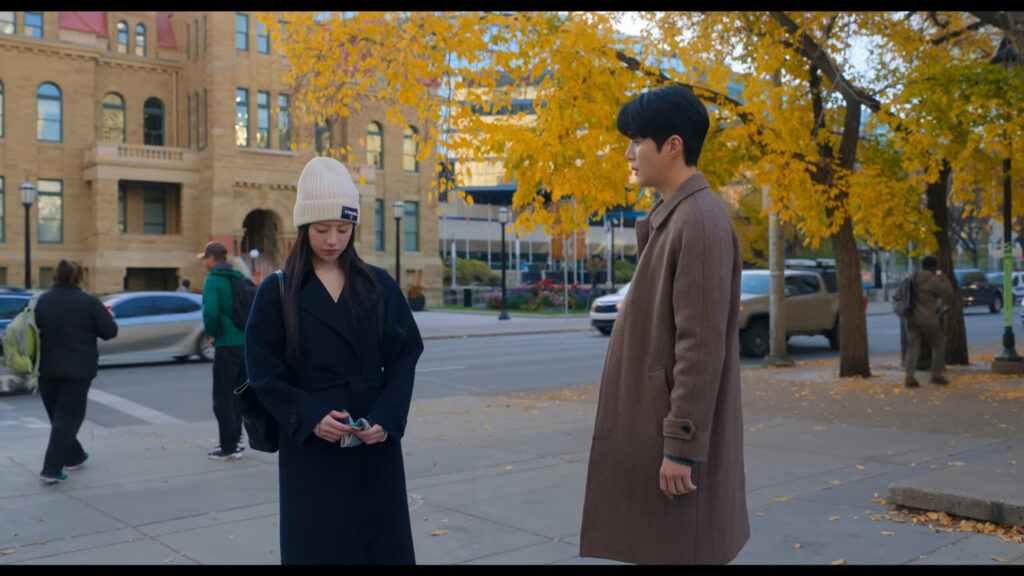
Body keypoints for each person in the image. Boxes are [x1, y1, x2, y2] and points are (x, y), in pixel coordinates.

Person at [579, 84, 749, 564]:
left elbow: (699, 347)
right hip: (657, 429)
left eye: (638, 141)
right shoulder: (678, 216)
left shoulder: (697, 221)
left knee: (680, 550)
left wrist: (680, 446)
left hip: (669, 439)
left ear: (673, 145)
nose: (629, 153)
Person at [245, 156, 423, 565]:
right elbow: (263, 371)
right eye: (322, 229)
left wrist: (387, 419)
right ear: (303, 227)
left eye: (344, 229)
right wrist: (308, 417)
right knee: (321, 548)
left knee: (379, 548)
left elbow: (405, 355)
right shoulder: (278, 291)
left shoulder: (378, 284)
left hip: (372, 442)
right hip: (313, 451)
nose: (333, 240)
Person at [34, 260, 119, 484]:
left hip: (47, 369)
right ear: (79, 277)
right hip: (78, 370)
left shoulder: (43, 300)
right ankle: (51, 469)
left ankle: (74, 456)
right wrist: (107, 316)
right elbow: (110, 332)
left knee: (59, 418)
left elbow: (37, 325)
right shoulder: (89, 302)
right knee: (68, 419)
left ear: (55, 276)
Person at [199, 240, 247, 460]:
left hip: (226, 343)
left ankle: (229, 446)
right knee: (237, 394)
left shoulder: (213, 280)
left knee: (223, 397)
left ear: (211, 259)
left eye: (205, 259)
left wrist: (212, 334)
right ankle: (238, 440)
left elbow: (210, 312)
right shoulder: (239, 277)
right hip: (244, 343)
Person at [905, 255, 954, 388]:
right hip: (928, 319)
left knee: (913, 348)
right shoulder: (934, 280)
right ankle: (936, 375)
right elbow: (949, 293)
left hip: (911, 317)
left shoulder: (912, 278)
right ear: (933, 267)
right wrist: (944, 279)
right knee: (938, 345)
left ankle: (909, 377)